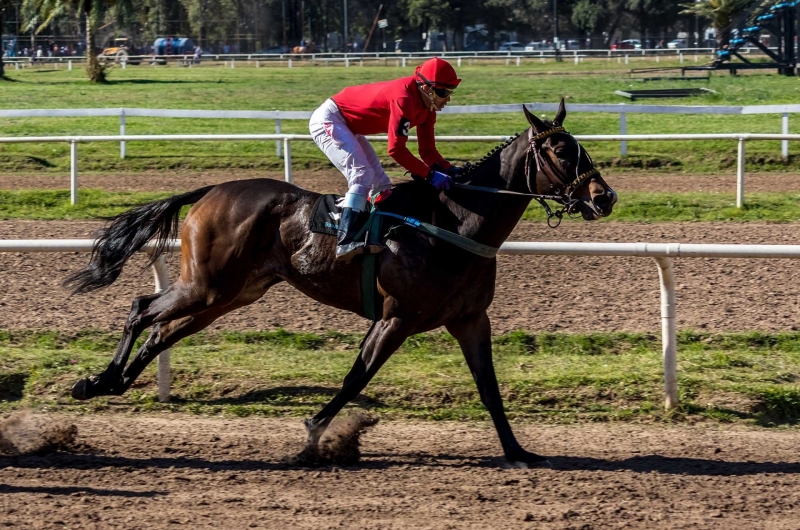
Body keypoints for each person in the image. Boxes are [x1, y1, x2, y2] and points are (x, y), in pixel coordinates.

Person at [309, 57, 462, 260]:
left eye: (450, 92)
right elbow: (396, 150)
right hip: (330, 119)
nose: (447, 99)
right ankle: (346, 241)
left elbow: (428, 151)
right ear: (425, 87)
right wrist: (430, 174)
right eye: (443, 93)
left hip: (349, 125)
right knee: (362, 175)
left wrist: (447, 168)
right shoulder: (404, 99)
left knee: (381, 184)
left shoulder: (428, 109)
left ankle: (372, 230)